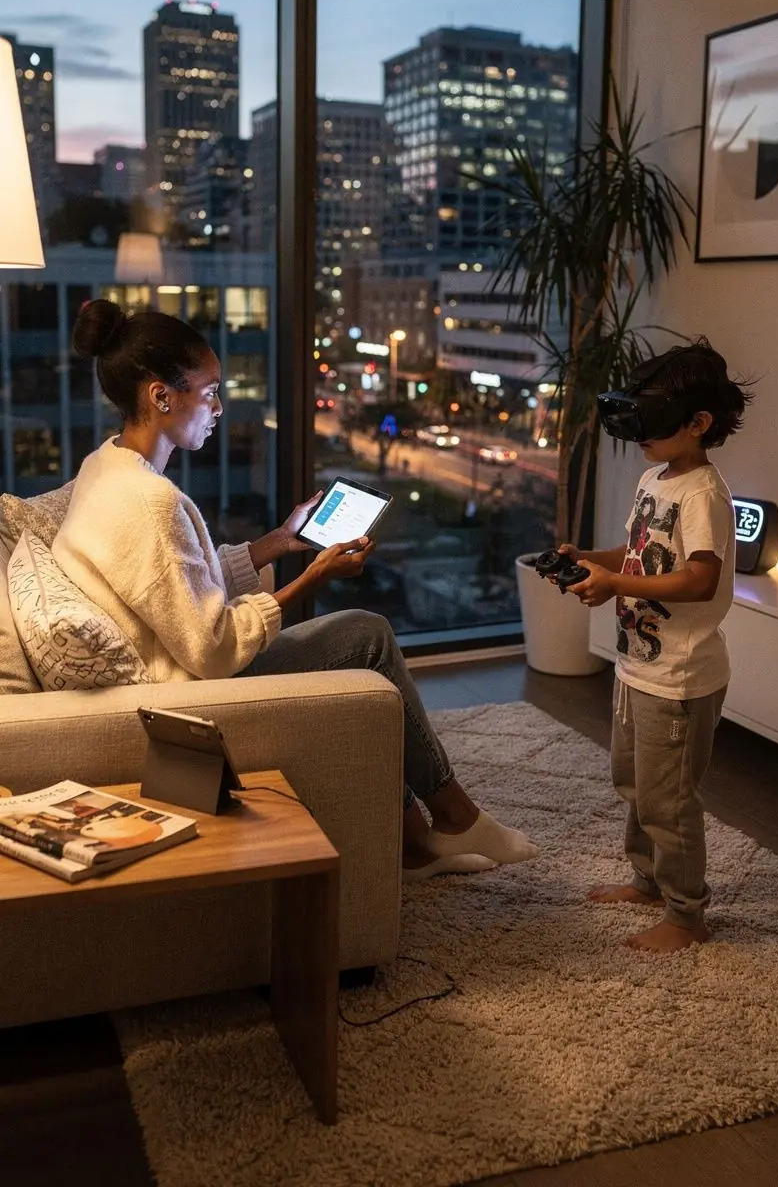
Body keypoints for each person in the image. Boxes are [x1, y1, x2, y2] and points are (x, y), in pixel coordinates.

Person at [54, 299, 538, 880]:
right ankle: (453, 815)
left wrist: (280, 542)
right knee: (367, 637)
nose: (218, 408)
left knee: (359, 647)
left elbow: (174, 588)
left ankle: (414, 842)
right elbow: (210, 646)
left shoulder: (104, 468)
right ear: (162, 396)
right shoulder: (151, 501)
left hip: (169, 669)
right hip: (183, 694)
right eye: (209, 392)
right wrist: (311, 578)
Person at [556, 340, 751, 954]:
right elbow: (639, 552)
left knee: (669, 798)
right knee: (636, 783)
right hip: (638, 664)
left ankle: (688, 916)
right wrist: (591, 560)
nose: (639, 435)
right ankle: (647, 881)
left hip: (681, 676)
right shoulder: (654, 478)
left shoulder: (703, 494)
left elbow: (700, 578)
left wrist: (616, 583)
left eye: (653, 421)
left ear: (698, 424)